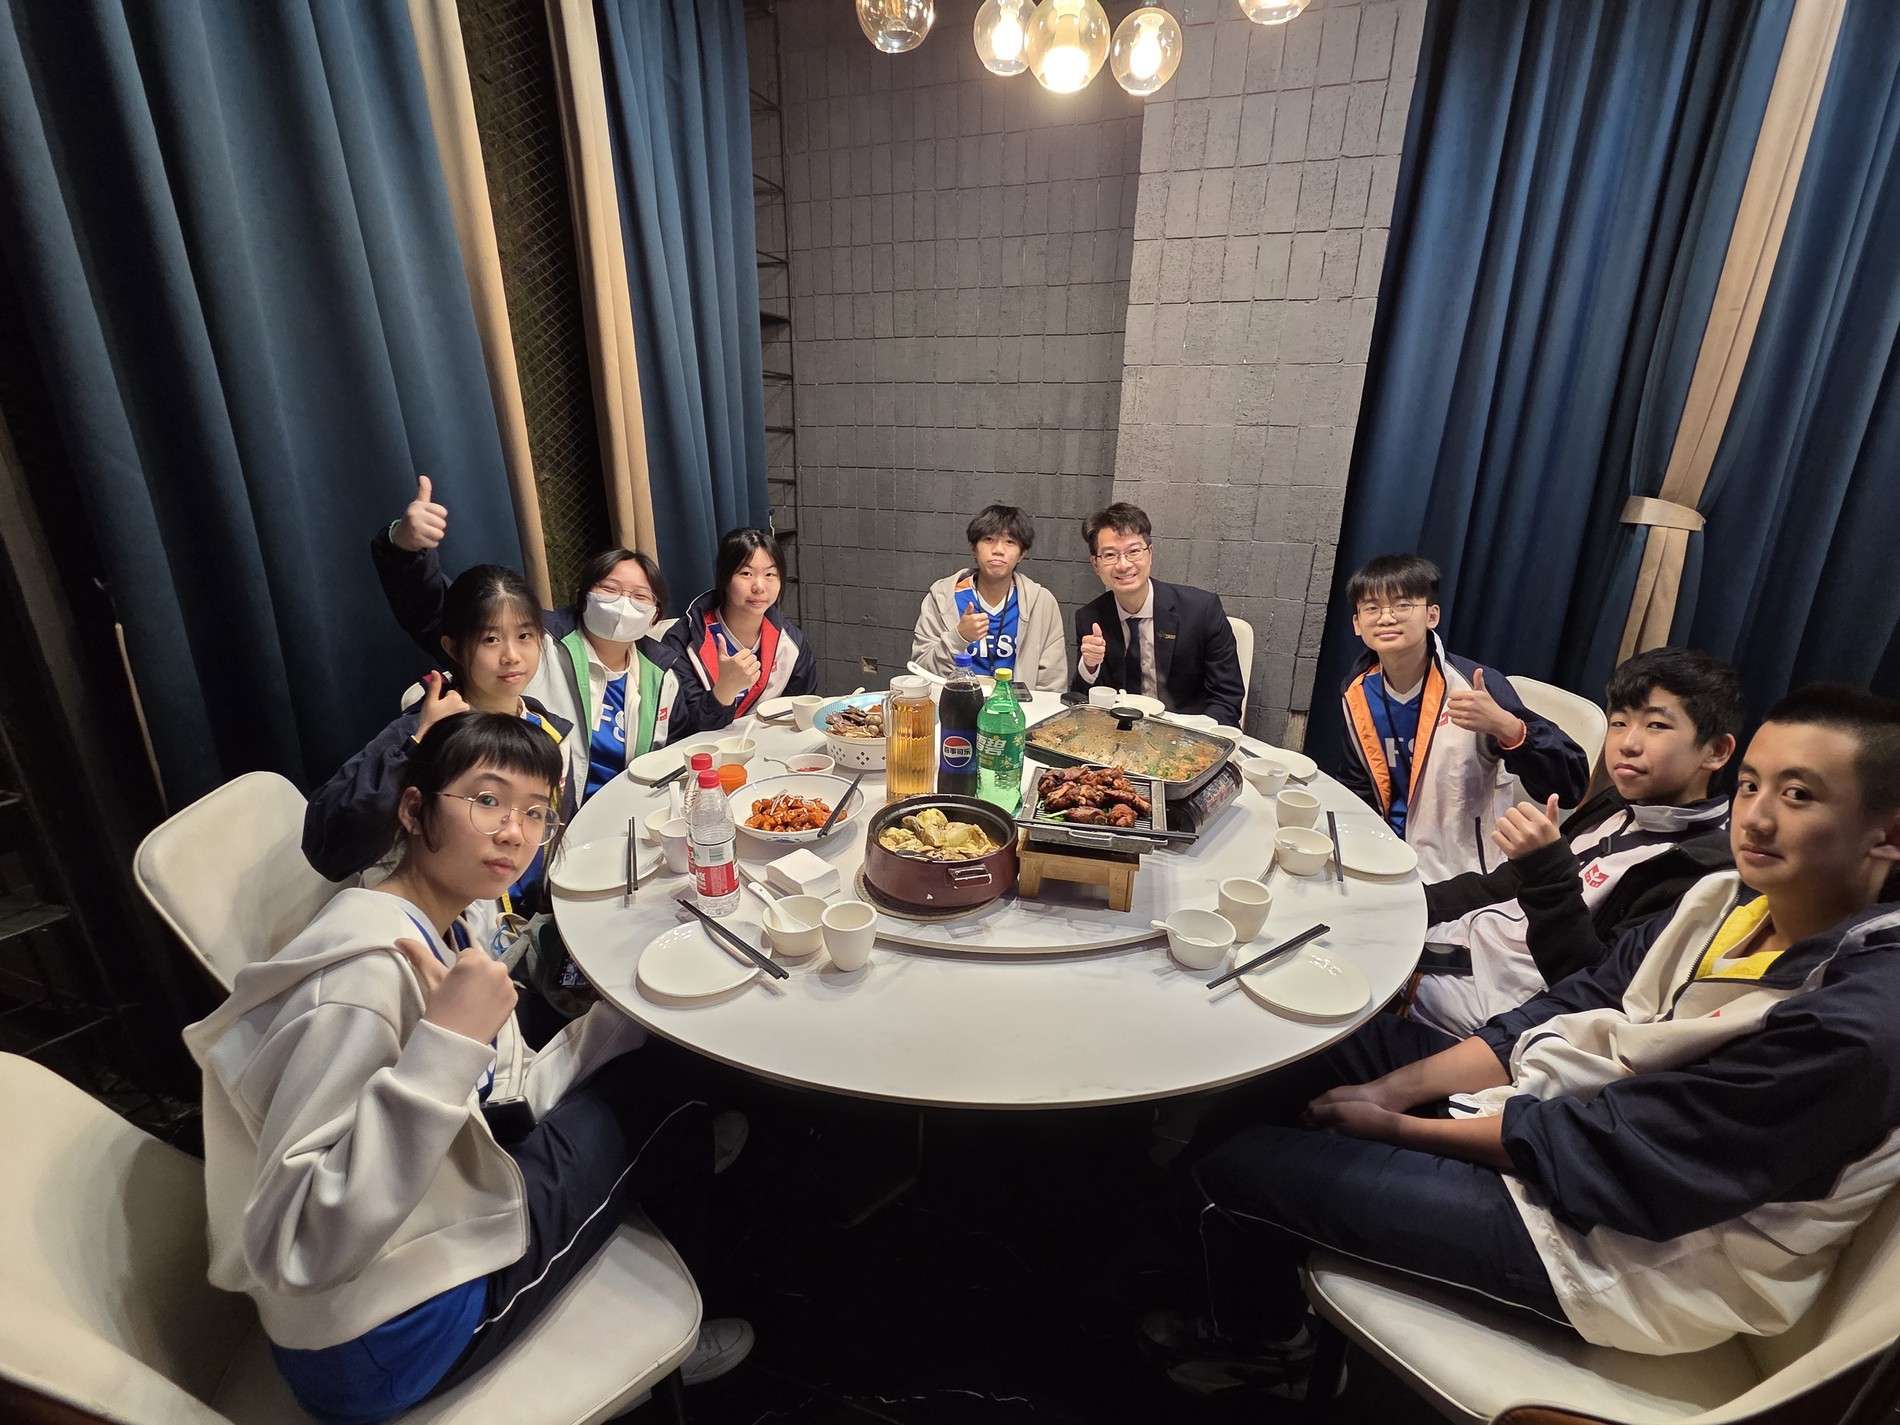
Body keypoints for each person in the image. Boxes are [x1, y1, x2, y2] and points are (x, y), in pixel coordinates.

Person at [1158, 685, 1900, 1396]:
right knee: (1328, 1046)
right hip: (1558, 1106)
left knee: (1235, 1167)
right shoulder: (1726, 900)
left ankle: (1266, 1349)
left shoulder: (1851, 1022)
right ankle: (1236, 1246)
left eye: (1798, 795)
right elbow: (1579, 999)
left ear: (1889, 833)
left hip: (1621, 1248)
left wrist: (1393, 1127)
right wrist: (1388, 1088)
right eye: (1753, 787)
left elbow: (1613, 1151)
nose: (1757, 818)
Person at [188, 716, 752, 1424]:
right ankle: (680, 1342)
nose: (514, 832)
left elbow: (507, 1093)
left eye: (535, 812)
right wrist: (447, 1045)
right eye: (487, 800)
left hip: (417, 1248)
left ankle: (672, 1159)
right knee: (668, 1105)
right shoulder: (362, 983)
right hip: (386, 1338)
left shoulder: (443, 925)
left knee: (644, 1073)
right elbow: (296, 1242)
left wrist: (630, 1008)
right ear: (414, 809)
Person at [1409, 647, 1742, 1036]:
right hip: (1446, 954)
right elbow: (1504, 883)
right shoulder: (1618, 803)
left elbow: (1592, 992)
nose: (1628, 743)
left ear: (1716, 751)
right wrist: (1412, 906)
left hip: (1477, 1019)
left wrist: (1549, 872)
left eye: (1656, 725)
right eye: (1619, 723)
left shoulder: (1700, 872)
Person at [374, 477, 718, 801]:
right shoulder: (534, 640)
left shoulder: (662, 673)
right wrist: (405, 552)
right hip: (545, 813)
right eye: (610, 589)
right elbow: (445, 612)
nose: (623, 604)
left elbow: (679, 751)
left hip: (625, 814)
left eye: (640, 596)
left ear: (655, 613)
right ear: (584, 596)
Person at [303, 565, 574, 911]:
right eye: (491, 639)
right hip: (441, 923)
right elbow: (329, 850)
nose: (512, 656)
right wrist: (417, 745)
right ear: (454, 648)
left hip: (522, 919)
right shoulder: (422, 731)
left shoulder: (548, 733)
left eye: (524, 636)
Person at [1338, 554, 1588, 882]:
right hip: (1387, 852)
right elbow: (1359, 784)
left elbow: (1570, 786)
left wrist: (1506, 727)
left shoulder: (1475, 685)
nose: (1386, 618)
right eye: (1372, 608)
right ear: (1357, 624)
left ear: (1432, 615)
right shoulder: (1357, 689)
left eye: (1402, 605)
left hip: (1460, 868)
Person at [1069, 502, 1245, 725]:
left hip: (1188, 732)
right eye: (1110, 555)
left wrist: (1191, 735)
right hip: (1120, 734)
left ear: (1150, 553)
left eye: (1133, 551)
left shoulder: (1201, 610)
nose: (1123, 565)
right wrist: (1089, 665)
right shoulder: (1090, 617)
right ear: (1096, 564)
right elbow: (1081, 704)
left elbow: (1227, 699)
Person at [663, 527, 817, 723]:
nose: (759, 586)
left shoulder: (790, 643)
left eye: (770, 574)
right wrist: (724, 691)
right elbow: (679, 727)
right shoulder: (683, 642)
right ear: (724, 578)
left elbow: (799, 714)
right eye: (746, 573)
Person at [910, 504, 1068, 692]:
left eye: (1010, 542)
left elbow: (1052, 684)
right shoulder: (943, 598)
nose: (998, 550)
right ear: (973, 548)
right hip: (956, 704)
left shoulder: (1042, 603)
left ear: (1022, 553)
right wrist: (958, 637)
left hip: (1019, 708)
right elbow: (922, 672)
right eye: (989, 539)